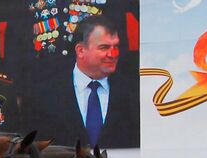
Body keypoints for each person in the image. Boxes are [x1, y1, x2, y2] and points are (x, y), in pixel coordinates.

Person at [32, 15, 139, 149]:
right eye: (104, 47)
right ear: (81, 50)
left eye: (116, 46)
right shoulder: (45, 94)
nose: (113, 54)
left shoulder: (133, 91)